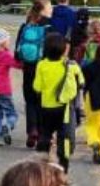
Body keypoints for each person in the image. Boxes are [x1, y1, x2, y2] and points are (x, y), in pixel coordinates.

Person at [33, 31, 81, 172]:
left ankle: (41, 163)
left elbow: (37, 87)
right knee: (63, 136)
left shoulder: (41, 65)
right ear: (63, 49)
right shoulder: (70, 65)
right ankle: (63, 164)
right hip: (64, 108)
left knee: (45, 134)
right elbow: (81, 82)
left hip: (47, 107)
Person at [16, 0, 54, 149]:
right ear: (44, 9)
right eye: (50, 7)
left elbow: (16, 53)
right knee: (42, 102)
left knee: (30, 101)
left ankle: (31, 130)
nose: (52, 10)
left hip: (28, 69)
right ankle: (42, 134)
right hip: (44, 69)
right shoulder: (49, 27)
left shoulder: (25, 26)